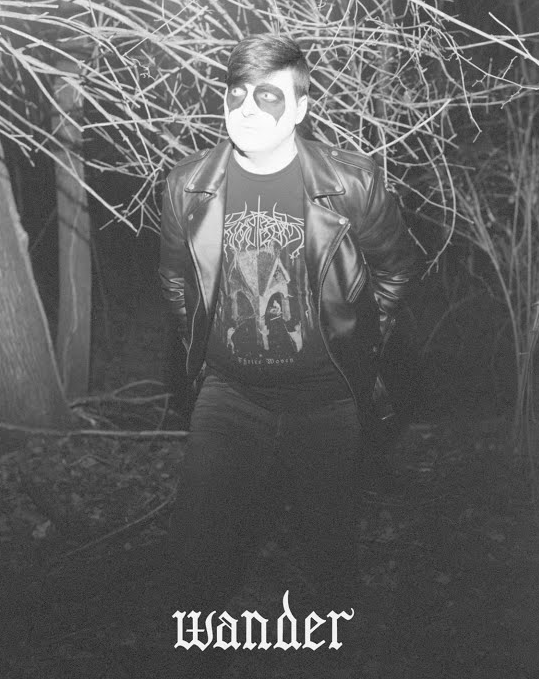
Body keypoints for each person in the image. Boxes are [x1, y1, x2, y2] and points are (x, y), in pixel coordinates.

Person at [152, 33, 417, 676]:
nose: (246, 108)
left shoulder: (350, 183)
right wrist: (201, 359)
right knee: (195, 552)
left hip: (326, 400)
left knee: (329, 550)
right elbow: (176, 282)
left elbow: (396, 269)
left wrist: (360, 346)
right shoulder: (189, 186)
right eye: (236, 94)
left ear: (299, 108)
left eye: (267, 96)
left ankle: (338, 655)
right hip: (229, 398)